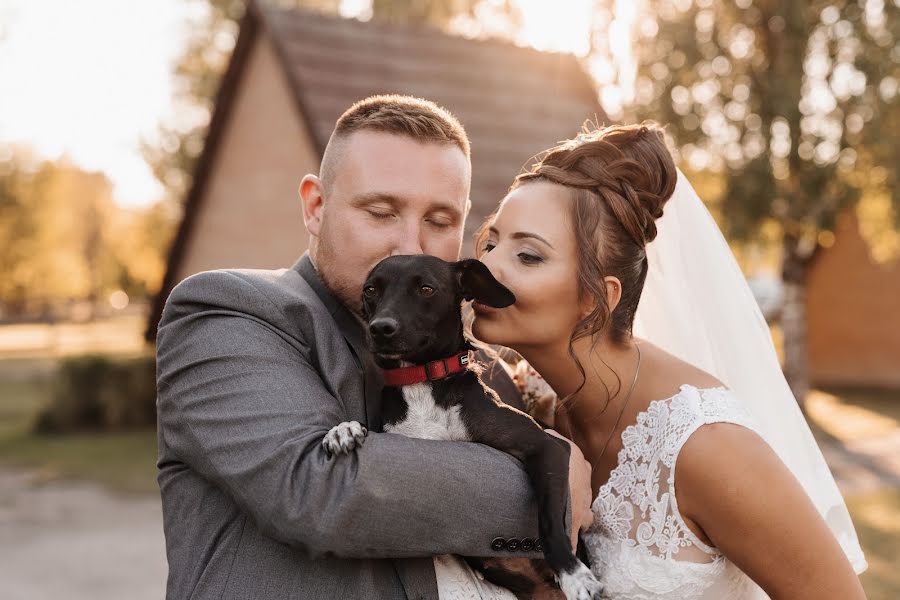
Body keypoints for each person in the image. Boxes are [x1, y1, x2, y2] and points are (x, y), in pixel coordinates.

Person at [154, 95, 594, 600]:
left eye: (441, 221)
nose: (411, 245)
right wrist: (551, 476)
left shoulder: (485, 369)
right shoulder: (228, 312)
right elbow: (318, 491)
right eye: (382, 212)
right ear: (316, 207)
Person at [472, 123, 869, 599]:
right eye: (492, 243)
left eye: (528, 256)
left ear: (598, 299)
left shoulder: (706, 447)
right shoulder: (530, 399)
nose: (485, 267)